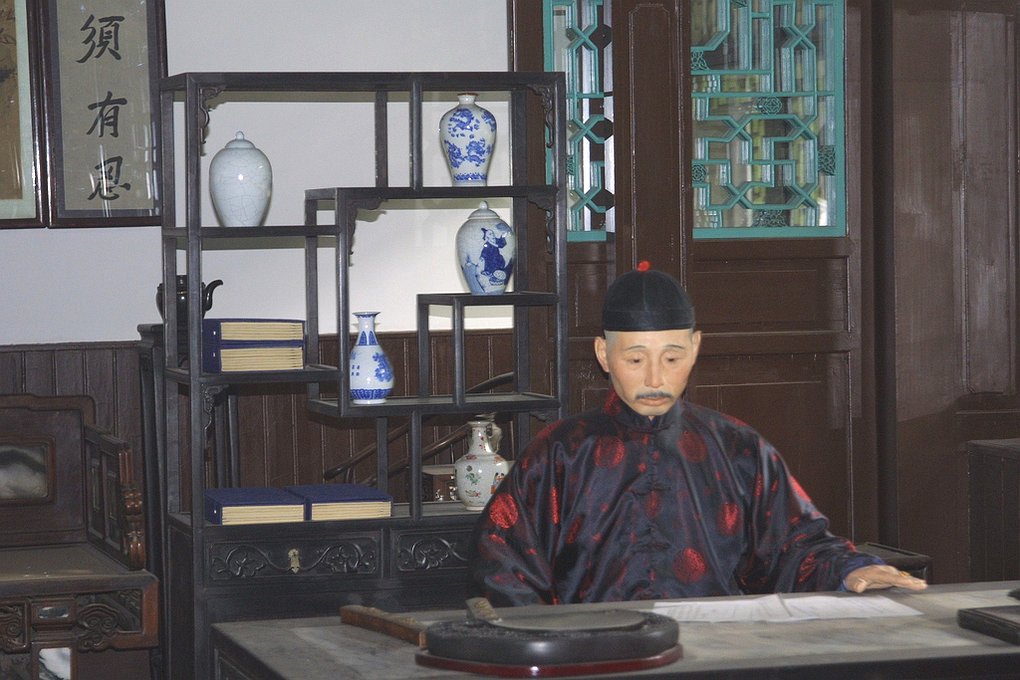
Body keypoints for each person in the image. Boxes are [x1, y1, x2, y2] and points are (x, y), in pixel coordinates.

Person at [470, 262, 927, 606]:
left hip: (715, 655)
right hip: (594, 657)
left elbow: (796, 543)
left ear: (695, 349)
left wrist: (851, 569)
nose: (654, 378)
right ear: (603, 355)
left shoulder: (739, 448)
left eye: (671, 358)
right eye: (635, 359)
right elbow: (503, 563)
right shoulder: (559, 453)